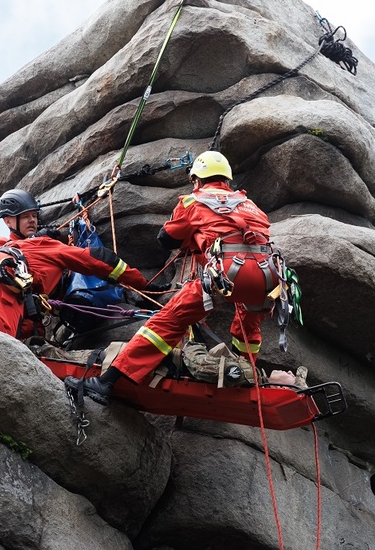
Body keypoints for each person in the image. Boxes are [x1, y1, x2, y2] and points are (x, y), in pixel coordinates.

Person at [65, 150, 279, 405]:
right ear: (228, 180)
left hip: (228, 273)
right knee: (248, 328)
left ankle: (106, 382)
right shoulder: (251, 205)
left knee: (168, 322)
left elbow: (166, 239)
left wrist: (193, 236)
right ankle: (244, 375)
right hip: (270, 278)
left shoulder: (193, 201)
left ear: (197, 180)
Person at [0, 188, 163, 337]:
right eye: (26, 217)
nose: (33, 220)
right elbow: (98, 260)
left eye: (34, 216)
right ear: (9, 221)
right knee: (2, 330)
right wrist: (141, 283)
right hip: (2, 271)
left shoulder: (2, 242)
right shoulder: (43, 246)